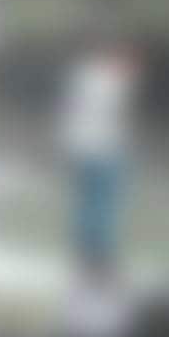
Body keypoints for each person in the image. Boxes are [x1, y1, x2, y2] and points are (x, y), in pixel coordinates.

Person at [58, 44, 141, 285]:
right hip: (104, 150)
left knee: (86, 203)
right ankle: (100, 260)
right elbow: (114, 121)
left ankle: (84, 256)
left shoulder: (83, 77)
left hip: (78, 148)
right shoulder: (113, 84)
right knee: (104, 205)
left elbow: (71, 114)